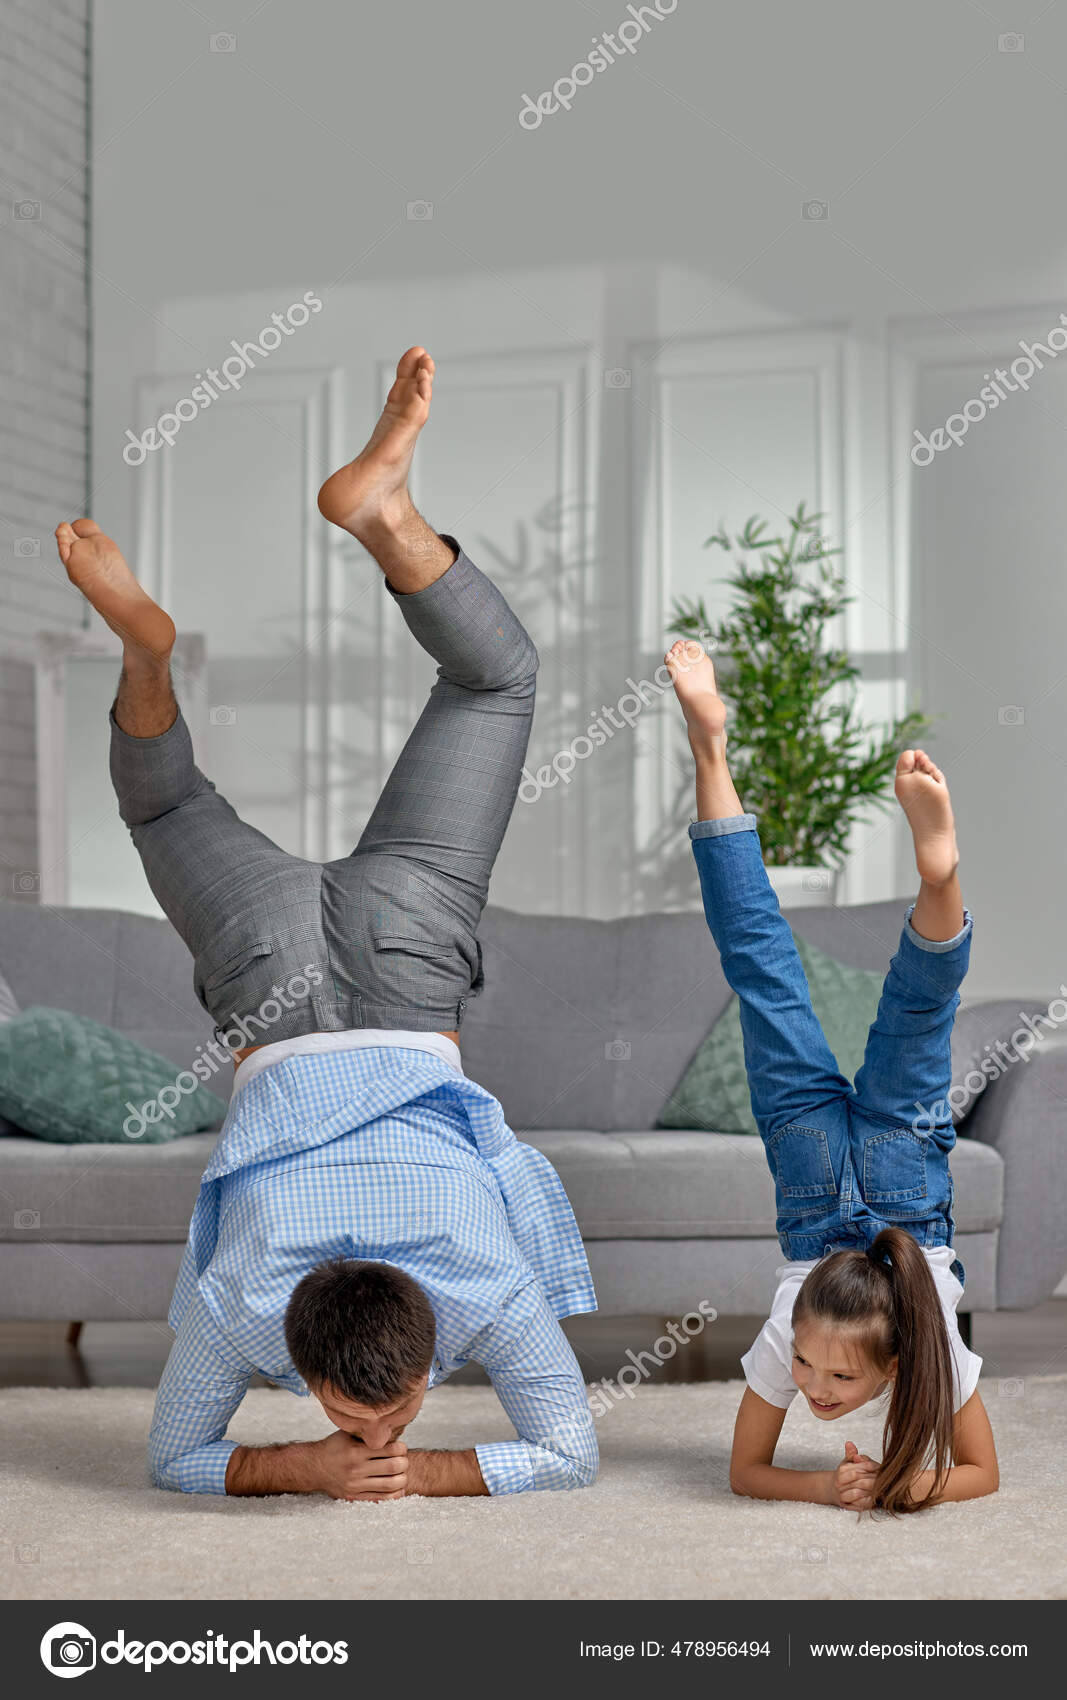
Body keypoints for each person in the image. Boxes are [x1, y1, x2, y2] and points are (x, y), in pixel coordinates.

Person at [54, 348, 598, 1501]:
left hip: (405, 967)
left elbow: (565, 1453)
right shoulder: (244, 1301)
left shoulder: (470, 1283)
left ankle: (382, 514)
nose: (371, 1429)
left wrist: (324, 1460)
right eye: (378, 1412)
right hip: (268, 971)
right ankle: (152, 650)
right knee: (162, 801)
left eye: (367, 1413)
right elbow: (569, 1453)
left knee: (496, 684)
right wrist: (322, 1461)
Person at [664, 637, 999, 1513]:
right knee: (790, 976)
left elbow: (745, 1477)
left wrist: (826, 1487)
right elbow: (981, 1477)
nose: (811, 1383)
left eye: (820, 1370)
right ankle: (940, 874)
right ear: (900, 1359)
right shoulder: (926, 1346)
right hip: (890, 1177)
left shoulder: (798, 1330)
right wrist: (892, 1486)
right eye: (822, 1369)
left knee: (765, 966)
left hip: (820, 1175)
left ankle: (709, 746)